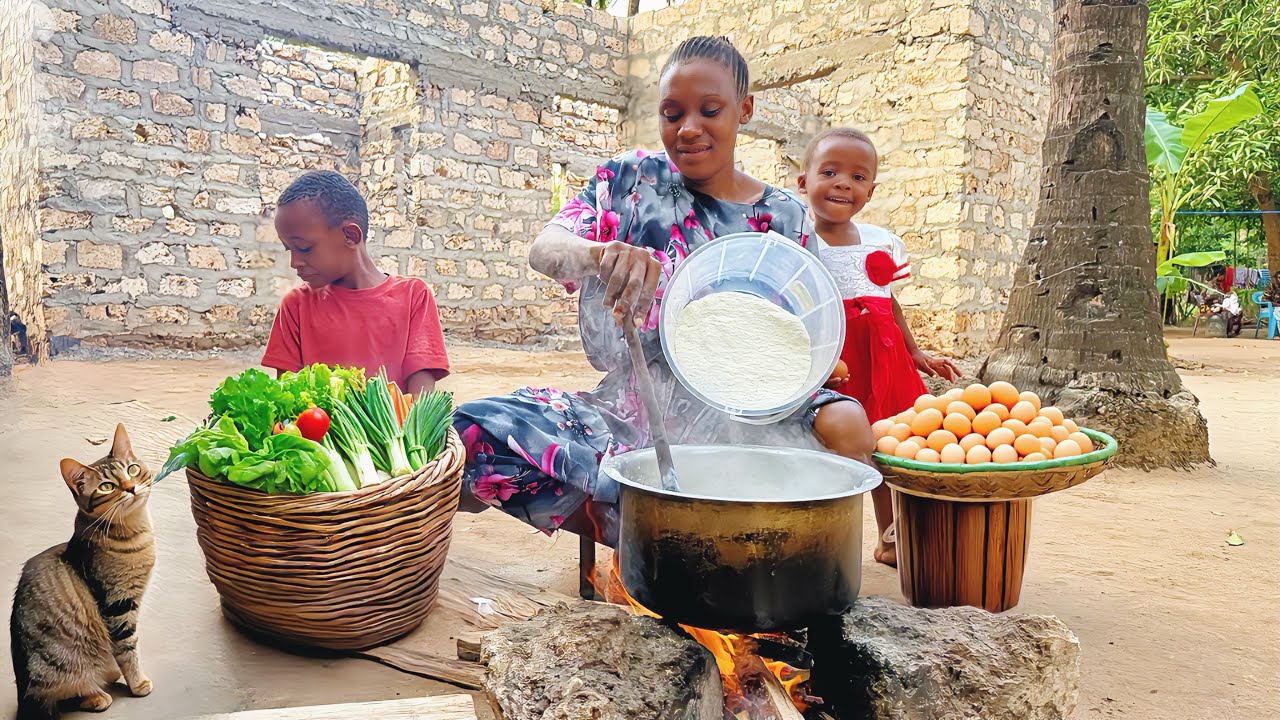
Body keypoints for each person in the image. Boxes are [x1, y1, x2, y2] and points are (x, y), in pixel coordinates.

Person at [452, 36, 875, 547]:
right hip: (634, 403)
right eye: (672, 114)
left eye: (710, 111)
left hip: (751, 411)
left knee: (848, 422)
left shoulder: (785, 218)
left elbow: (803, 332)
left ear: (744, 110)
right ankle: (642, 532)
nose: (688, 128)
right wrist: (599, 254)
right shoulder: (630, 181)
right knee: (469, 434)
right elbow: (545, 249)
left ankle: (780, 551)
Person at [797, 128, 960, 567]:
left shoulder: (881, 241)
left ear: (870, 191)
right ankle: (824, 544)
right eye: (829, 172)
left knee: (892, 448)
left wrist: (915, 353)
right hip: (837, 364)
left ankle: (891, 539)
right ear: (803, 181)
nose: (843, 184)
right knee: (839, 450)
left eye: (857, 177)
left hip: (886, 362)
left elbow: (888, 301)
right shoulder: (798, 243)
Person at [261, 170, 449, 395]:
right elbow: (289, 398)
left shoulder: (414, 297)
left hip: (399, 420)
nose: (294, 262)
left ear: (350, 236)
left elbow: (422, 402)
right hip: (316, 421)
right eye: (289, 249)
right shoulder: (296, 306)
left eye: (304, 248)